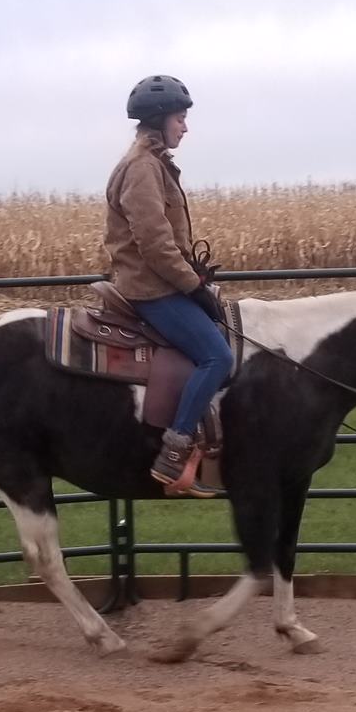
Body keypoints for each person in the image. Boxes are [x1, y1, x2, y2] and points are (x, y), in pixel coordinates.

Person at [103, 74, 231, 496]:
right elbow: (155, 245)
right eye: (181, 117)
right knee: (217, 357)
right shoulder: (143, 169)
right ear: (159, 119)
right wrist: (192, 286)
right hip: (150, 288)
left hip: (161, 282)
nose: (185, 127)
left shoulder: (152, 163)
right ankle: (174, 452)